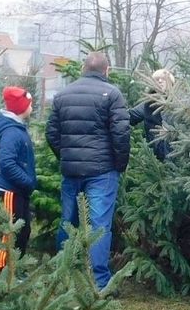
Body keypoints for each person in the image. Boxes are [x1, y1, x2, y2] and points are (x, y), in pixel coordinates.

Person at [46, 51, 130, 291]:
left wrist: (67, 155)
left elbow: (52, 133)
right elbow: (121, 134)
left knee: (68, 221)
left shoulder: (63, 94)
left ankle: (62, 275)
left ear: (83, 68)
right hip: (102, 171)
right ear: (107, 70)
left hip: (71, 170)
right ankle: (99, 283)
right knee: (99, 225)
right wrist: (119, 165)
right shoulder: (112, 94)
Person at [0, 86, 37, 271]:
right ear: (20, 108)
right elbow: (7, 163)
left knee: (23, 230)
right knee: (10, 233)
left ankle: (16, 267)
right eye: (29, 104)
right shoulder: (11, 132)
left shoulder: (17, 128)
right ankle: (3, 270)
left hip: (19, 191)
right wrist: (27, 182)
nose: (32, 108)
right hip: (9, 191)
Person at [129, 68, 175, 160]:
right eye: (157, 79)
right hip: (156, 153)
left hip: (177, 152)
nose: (160, 81)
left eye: (163, 79)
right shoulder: (148, 104)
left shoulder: (180, 103)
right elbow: (129, 116)